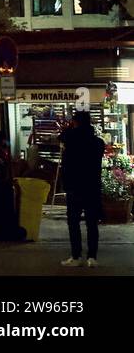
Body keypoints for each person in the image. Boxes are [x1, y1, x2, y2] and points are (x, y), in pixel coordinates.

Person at [59, 110, 104, 268]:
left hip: (75, 187)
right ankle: (92, 257)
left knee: (73, 222)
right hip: (92, 186)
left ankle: (76, 256)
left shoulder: (70, 140)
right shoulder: (98, 143)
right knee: (92, 223)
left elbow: (62, 137)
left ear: (75, 123)